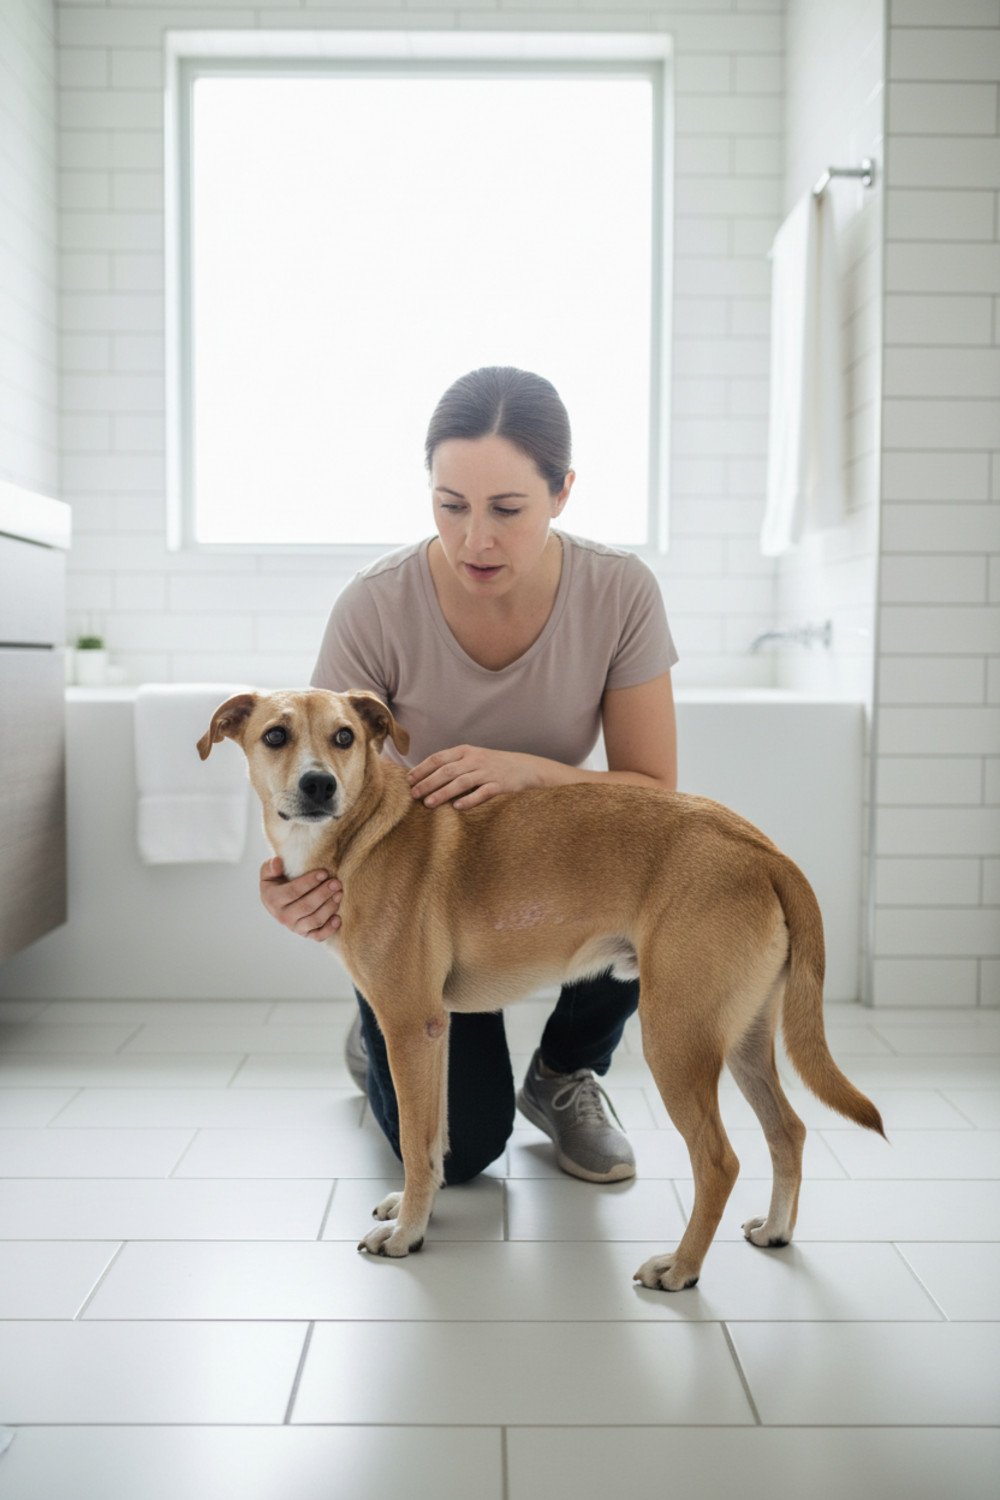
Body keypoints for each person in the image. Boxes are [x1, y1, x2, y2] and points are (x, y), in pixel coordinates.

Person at [259, 366, 679, 1187]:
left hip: (556, 868)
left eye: (507, 510)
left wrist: (526, 772)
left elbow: (656, 792)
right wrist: (283, 886)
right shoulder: (375, 606)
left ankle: (566, 1073)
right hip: (427, 900)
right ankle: (380, 1011)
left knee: (649, 860)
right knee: (464, 1153)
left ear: (562, 493)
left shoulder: (620, 592)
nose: (474, 540)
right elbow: (305, 775)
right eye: (450, 505)